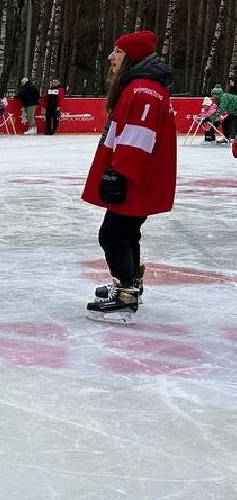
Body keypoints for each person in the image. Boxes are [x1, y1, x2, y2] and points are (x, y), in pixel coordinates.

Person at [83, 30, 176, 321]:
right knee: (126, 233)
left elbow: (138, 138)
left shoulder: (143, 90)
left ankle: (125, 292)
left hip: (135, 179)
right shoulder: (140, 87)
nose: (111, 57)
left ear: (132, 57)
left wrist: (119, 174)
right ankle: (130, 284)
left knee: (112, 235)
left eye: (118, 52)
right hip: (138, 178)